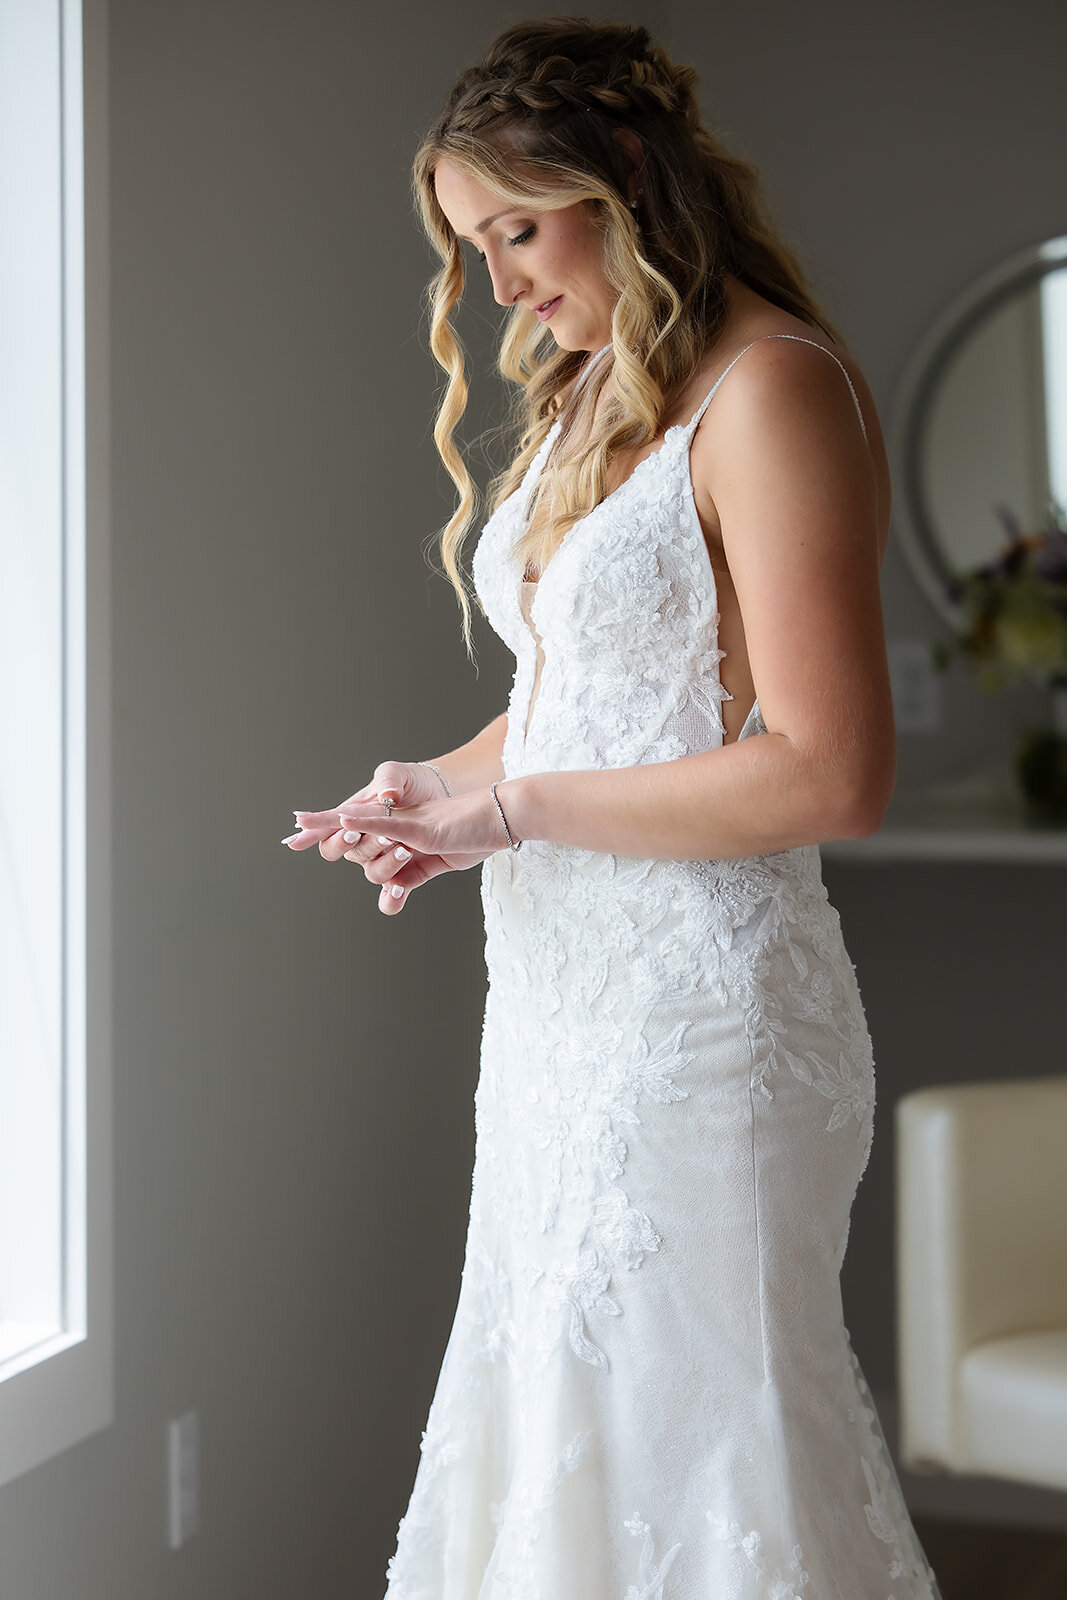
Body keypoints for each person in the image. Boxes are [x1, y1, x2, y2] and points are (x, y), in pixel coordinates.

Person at [283, 17, 945, 1599]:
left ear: (625, 176)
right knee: (558, 1429)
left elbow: (828, 770)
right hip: (563, 1016)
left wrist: (510, 819)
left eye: (517, 228)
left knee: (702, 1459)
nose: (499, 284)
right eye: (472, 244)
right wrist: (437, 785)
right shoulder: (602, 388)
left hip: (706, 1028)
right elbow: (599, 693)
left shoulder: (771, 389)